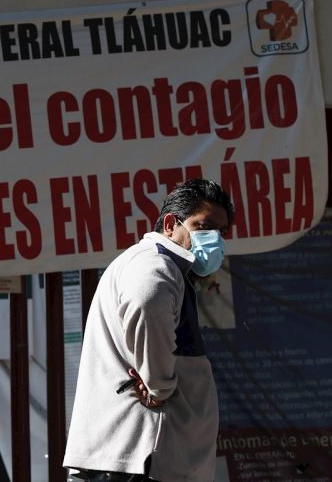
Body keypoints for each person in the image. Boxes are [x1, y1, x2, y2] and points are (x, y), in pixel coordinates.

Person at [63, 178, 233, 482]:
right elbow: (146, 301)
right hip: (137, 460)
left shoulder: (162, 266)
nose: (215, 239)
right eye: (204, 227)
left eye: (221, 232)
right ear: (170, 224)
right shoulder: (156, 264)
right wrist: (159, 388)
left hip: (138, 459)